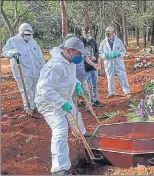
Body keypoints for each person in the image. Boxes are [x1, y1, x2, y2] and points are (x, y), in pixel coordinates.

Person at [34, 37, 92, 175]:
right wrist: (61, 103)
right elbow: (44, 89)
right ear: (68, 51)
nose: (80, 57)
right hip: (48, 103)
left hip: (63, 96)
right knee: (60, 129)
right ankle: (59, 168)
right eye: (79, 54)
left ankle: (81, 133)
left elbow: (68, 77)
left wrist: (76, 83)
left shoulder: (69, 61)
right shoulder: (54, 66)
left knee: (75, 115)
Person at [2, 23, 45, 114]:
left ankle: (35, 105)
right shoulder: (13, 41)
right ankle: (28, 107)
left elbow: (39, 55)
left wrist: (43, 67)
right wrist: (12, 53)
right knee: (26, 89)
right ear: (21, 33)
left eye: (29, 33)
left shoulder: (33, 42)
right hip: (22, 71)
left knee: (36, 88)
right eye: (26, 34)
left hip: (35, 70)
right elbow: (5, 51)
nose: (28, 36)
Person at [59, 34, 100, 111]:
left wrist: (93, 64)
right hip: (71, 79)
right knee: (72, 94)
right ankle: (74, 109)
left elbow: (86, 58)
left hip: (81, 76)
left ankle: (89, 107)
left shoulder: (79, 49)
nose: (79, 55)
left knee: (86, 91)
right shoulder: (62, 58)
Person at [99, 26, 132, 99]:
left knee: (122, 76)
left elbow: (123, 51)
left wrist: (118, 54)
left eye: (110, 33)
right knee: (109, 77)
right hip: (109, 63)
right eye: (107, 33)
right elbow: (100, 53)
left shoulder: (118, 41)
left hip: (118, 62)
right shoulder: (103, 42)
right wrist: (106, 55)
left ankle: (127, 91)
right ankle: (111, 92)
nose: (109, 35)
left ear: (113, 33)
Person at [79, 26, 104, 107]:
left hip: (94, 67)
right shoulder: (80, 41)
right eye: (86, 32)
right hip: (86, 68)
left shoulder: (93, 40)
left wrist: (95, 57)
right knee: (86, 86)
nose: (87, 34)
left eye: (89, 32)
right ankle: (87, 101)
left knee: (95, 84)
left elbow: (97, 51)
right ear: (82, 32)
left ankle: (95, 100)